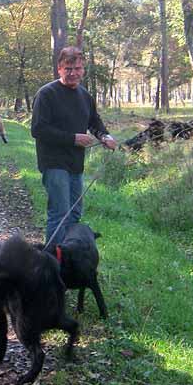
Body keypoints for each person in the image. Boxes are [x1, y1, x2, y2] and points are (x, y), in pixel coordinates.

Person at [31, 46, 116, 247]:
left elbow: (94, 121)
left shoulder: (85, 96)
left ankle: (68, 257)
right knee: (60, 212)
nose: (73, 73)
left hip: (75, 163)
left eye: (77, 68)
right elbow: (38, 129)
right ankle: (52, 261)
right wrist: (73, 138)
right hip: (53, 162)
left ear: (83, 69)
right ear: (59, 68)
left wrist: (105, 136)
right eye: (68, 69)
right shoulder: (46, 94)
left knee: (74, 213)